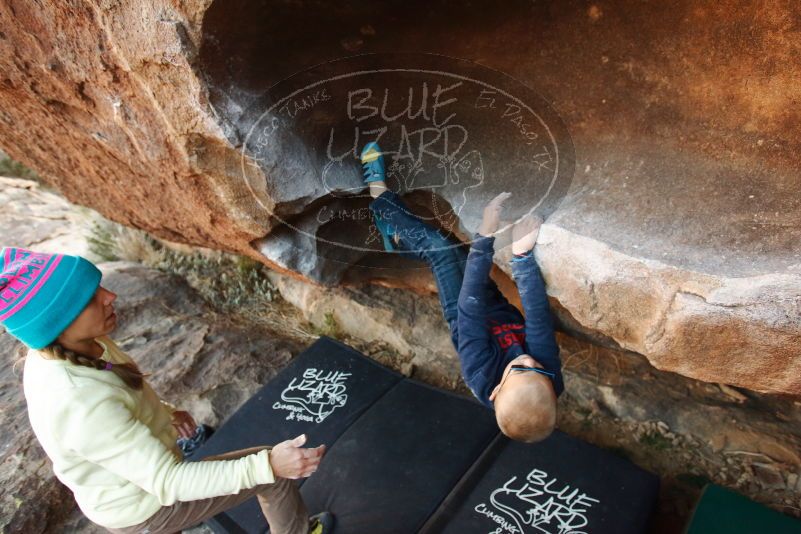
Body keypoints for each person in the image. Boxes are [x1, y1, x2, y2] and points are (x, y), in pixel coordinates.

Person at [1, 247, 334, 533]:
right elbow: (169, 483)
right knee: (270, 475)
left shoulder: (72, 345)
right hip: (144, 505)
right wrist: (270, 466)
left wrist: (163, 411)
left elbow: (117, 393)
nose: (109, 296)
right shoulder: (77, 399)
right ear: (57, 323)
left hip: (126, 491)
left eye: (98, 286)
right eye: (90, 299)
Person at [361, 142, 564, 443]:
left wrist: (485, 234)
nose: (530, 360)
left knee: (441, 249)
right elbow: (537, 319)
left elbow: (470, 306)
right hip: (496, 307)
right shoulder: (547, 379)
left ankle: (378, 193)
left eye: (521, 368)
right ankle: (396, 237)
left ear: (496, 391)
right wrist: (522, 257)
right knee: (458, 253)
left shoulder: (479, 371)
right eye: (541, 371)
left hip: (464, 311)